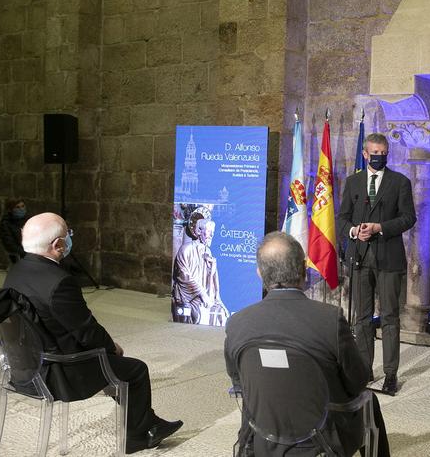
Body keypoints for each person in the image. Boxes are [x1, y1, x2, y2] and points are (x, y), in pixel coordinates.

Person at [3, 213, 182, 454]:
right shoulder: (59, 281)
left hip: (23, 369)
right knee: (135, 370)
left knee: (116, 366)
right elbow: (86, 331)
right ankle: (138, 438)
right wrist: (112, 348)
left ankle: (148, 423)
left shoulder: (15, 271)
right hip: (60, 375)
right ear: (58, 245)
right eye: (68, 234)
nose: (70, 238)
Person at [224, 232, 390, 456]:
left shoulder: (236, 324)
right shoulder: (330, 319)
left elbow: (240, 384)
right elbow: (357, 382)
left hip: (262, 440)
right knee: (370, 400)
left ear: (260, 273)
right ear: (303, 270)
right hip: (322, 443)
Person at [336, 133, 416, 396]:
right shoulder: (354, 182)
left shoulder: (400, 182)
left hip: (388, 258)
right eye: (375, 153)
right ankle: (364, 370)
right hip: (359, 258)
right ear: (365, 154)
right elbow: (342, 218)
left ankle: (390, 374)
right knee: (361, 318)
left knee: (390, 317)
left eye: (384, 153)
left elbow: (408, 218)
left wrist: (381, 227)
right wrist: (353, 232)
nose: (380, 157)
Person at [172, 209, 229, 325]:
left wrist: (217, 298)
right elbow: (183, 276)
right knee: (201, 313)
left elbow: (212, 279)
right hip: (190, 296)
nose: (212, 234)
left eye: (213, 231)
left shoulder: (208, 251)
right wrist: (202, 293)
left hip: (206, 295)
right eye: (209, 231)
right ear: (198, 231)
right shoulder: (186, 249)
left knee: (220, 312)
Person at [0, 199, 28, 265]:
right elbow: (9, 243)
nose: (21, 209)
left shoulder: (28, 219)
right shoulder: (6, 222)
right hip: (18, 253)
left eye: (23, 206)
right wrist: (24, 252)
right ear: (11, 209)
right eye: (17, 207)